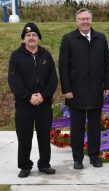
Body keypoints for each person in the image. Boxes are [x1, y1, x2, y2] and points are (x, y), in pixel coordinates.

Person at [59, 8, 109, 169]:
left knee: (95, 127)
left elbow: (107, 64)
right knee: (77, 128)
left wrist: (107, 85)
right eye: (81, 19)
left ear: (92, 20)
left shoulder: (100, 38)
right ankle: (78, 159)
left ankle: (94, 156)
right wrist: (66, 89)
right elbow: (63, 67)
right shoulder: (68, 39)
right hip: (76, 92)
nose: (85, 21)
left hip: (96, 90)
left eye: (87, 18)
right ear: (77, 21)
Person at [8, 23, 58, 178]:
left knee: (44, 136)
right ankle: (25, 165)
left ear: (38, 38)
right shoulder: (16, 56)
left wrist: (43, 95)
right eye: (28, 35)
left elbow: (53, 79)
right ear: (24, 38)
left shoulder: (46, 55)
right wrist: (28, 96)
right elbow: (13, 80)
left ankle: (44, 164)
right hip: (24, 105)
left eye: (34, 35)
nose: (31, 38)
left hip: (44, 103)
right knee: (24, 137)